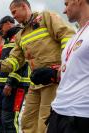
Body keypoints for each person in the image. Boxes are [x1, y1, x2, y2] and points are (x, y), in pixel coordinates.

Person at [0, 0, 75, 133]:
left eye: (14, 12)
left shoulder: (46, 17)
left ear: (24, 7)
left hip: (53, 79)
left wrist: (65, 65)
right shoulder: (20, 35)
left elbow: (67, 35)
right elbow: (15, 60)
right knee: (27, 121)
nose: (13, 16)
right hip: (35, 82)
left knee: (45, 121)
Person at [44, 0, 89, 133]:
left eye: (66, 3)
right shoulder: (76, 35)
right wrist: (52, 74)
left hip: (80, 117)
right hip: (58, 111)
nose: (64, 10)